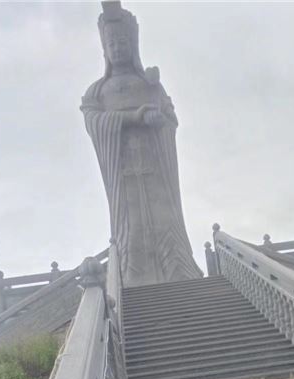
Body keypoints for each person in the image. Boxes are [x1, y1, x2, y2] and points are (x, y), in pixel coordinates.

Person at [81, 1, 203, 286]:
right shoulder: (97, 91)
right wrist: (134, 117)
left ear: (133, 45)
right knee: (131, 226)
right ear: (105, 49)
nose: (118, 48)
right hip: (123, 173)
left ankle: (178, 273)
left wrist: (158, 117)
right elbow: (94, 121)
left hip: (154, 168)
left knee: (165, 221)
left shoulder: (149, 84)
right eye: (112, 43)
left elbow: (169, 118)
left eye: (123, 42)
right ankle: (131, 280)